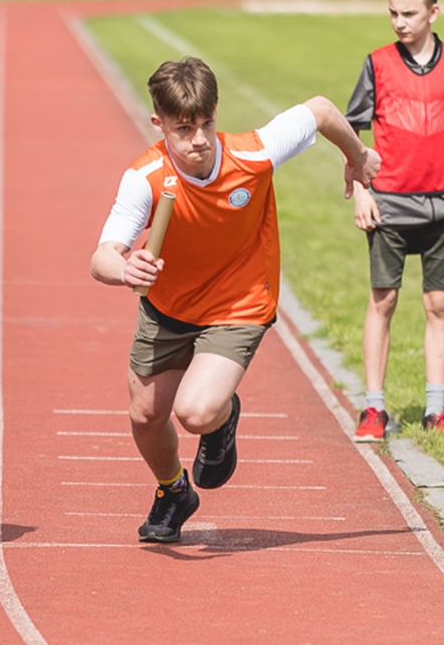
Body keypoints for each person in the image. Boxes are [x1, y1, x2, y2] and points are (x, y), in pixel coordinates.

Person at [91, 58, 375, 543]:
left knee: (196, 412)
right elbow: (102, 256)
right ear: (158, 124)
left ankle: (223, 416)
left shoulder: (254, 154)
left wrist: (357, 156)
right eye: (183, 129)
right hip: (166, 308)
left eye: (206, 123)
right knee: (144, 415)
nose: (198, 139)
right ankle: (173, 491)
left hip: (238, 305)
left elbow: (323, 110)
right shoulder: (145, 178)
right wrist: (125, 269)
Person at [342, 0, 444, 443]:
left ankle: (436, 410)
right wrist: (362, 190)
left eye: (408, 14)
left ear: (433, 12)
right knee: (382, 300)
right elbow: (352, 131)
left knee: (438, 303)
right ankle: (373, 408)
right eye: (392, 12)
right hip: (388, 203)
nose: (399, 22)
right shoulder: (378, 63)